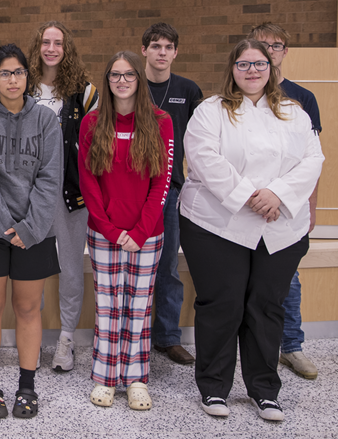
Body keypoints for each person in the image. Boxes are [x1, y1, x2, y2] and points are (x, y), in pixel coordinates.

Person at [181, 39, 323, 421]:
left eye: (259, 64)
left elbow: (313, 159)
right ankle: (214, 388)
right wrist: (250, 196)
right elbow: (203, 157)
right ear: (232, 69)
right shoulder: (211, 111)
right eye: (243, 65)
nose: (252, 72)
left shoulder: (294, 112)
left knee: (266, 307)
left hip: (280, 224)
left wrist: (276, 194)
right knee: (222, 305)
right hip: (216, 223)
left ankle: (264, 390)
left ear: (271, 68)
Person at [0, 44, 62, 419]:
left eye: (18, 72)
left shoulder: (46, 121)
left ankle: (26, 386)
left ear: (27, 77)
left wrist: (30, 228)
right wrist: (8, 228)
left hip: (34, 231)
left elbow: (50, 178)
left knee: (27, 308)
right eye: (5, 73)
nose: (12, 79)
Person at [80, 51, 173, 411]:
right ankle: (105, 376)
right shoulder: (92, 123)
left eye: (129, 75)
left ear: (139, 79)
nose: (122, 81)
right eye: (115, 75)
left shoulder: (160, 121)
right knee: (108, 305)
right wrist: (110, 229)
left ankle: (135, 378)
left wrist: (141, 229)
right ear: (108, 80)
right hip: (104, 233)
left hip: (147, 232)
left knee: (138, 307)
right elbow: (88, 183)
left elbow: (162, 182)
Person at [248, 22, 323, 381]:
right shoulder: (239, 95)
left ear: (284, 52)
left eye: (275, 46)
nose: (269, 51)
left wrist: (308, 205)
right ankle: (252, 347)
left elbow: (312, 160)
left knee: (288, 280)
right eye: (262, 46)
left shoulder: (302, 98)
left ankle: (291, 346)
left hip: (287, 206)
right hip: (248, 205)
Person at [27, 21, 99, 373]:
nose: (52, 48)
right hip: (30, 195)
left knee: (71, 268)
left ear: (66, 48)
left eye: (58, 43)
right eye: (46, 42)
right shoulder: (22, 86)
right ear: (37, 46)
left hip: (70, 193)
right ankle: (33, 337)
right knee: (32, 268)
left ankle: (66, 338)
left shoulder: (85, 92)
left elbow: (96, 145)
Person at [140, 22, 204, 366]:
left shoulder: (189, 90)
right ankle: (132, 334)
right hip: (132, 190)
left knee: (166, 266)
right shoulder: (131, 85)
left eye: (167, 47)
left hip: (169, 190)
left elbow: (202, 142)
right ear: (144, 50)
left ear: (175, 52)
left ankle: (166, 337)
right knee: (132, 264)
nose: (161, 52)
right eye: (155, 46)